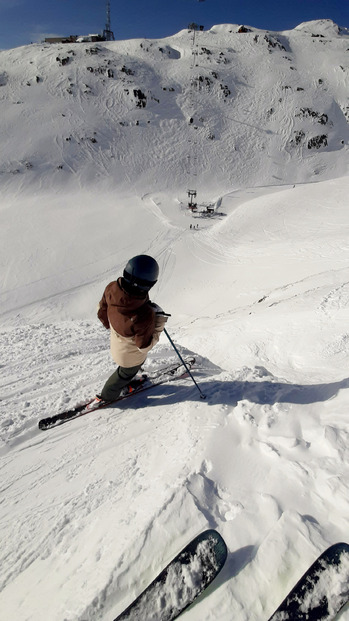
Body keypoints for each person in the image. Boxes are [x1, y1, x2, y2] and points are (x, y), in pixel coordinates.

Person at [93, 255, 167, 406]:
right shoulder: (143, 314)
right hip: (129, 358)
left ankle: (125, 381)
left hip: (116, 345)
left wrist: (114, 326)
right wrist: (159, 321)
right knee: (124, 374)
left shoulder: (112, 288)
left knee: (127, 370)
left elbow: (102, 311)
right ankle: (107, 396)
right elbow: (144, 346)